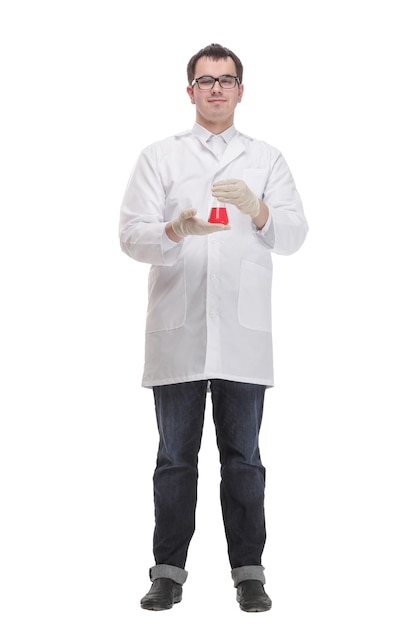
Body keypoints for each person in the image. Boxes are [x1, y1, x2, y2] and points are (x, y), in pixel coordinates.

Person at [119, 43, 308, 612]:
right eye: (206, 81)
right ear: (191, 91)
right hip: (178, 333)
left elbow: (295, 235)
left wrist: (259, 209)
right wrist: (173, 231)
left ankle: (249, 573)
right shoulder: (159, 157)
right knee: (175, 458)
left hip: (243, 338)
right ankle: (168, 572)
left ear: (241, 90)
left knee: (243, 458)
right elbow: (130, 236)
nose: (217, 90)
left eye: (227, 81)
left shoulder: (267, 159)